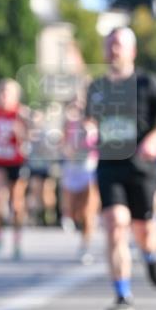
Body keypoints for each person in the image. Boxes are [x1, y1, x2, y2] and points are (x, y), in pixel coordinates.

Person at [85, 27, 156, 310]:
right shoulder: (97, 87)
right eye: (110, 44)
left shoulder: (147, 83)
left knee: (145, 232)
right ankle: (122, 295)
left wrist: (154, 140)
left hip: (141, 167)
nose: (114, 50)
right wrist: (86, 131)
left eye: (119, 45)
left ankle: (150, 255)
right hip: (109, 165)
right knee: (115, 224)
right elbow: (89, 121)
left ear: (132, 51)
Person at [0, 78, 29, 259]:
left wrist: (21, 133)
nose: (4, 96)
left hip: (16, 161)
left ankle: (17, 241)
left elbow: (29, 139)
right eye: (1, 92)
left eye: (7, 93)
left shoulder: (21, 113)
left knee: (16, 204)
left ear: (15, 95)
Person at [60, 95, 99, 264]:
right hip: (72, 167)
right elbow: (63, 145)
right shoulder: (68, 123)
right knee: (74, 210)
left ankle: (86, 246)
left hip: (89, 167)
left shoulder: (94, 123)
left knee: (88, 210)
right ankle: (69, 218)